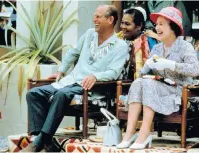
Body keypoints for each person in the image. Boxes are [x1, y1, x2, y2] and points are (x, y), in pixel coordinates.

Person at [20, 5, 128, 152]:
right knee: (33, 94)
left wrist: (96, 76)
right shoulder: (89, 34)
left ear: (110, 20)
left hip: (90, 88)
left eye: (98, 16)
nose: (93, 19)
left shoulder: (120, 46)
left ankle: (38, 144)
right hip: (70, 81)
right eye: (94, 15)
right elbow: (73, 53)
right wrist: (61, 71)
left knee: (61, 95)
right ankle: (45, 142)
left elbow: (114, 72)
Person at [117, 7, 199, 150]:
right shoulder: (157, 48)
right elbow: (143, 76)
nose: (157, 27)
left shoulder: (185, 46)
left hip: (179, 92)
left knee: (148, 84)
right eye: (157, 24)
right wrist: (147, 66)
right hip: (157, 89)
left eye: (162, 24)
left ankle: (144, 133)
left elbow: (195, 70)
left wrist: (172, 65)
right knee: (138, 82)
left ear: (173, 26)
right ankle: (129, 134)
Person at [117, 6, 159, 80]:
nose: (123, 27)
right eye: (122, 23)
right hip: (118, 85)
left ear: (139, 26)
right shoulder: (118, 39)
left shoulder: (150, 41)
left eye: (127, 24)